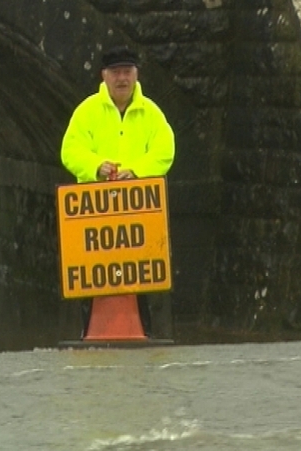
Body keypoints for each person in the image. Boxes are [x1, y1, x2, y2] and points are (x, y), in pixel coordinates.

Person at [60, 45, 175, 337]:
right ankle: (91, 336)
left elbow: (165, 151)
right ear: (104, 76)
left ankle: (144, 334)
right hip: (95, 220)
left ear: (136, 74)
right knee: (92, 281)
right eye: (116, 73)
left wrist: (136, 171)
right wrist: (96, 166)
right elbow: (69, 151)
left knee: (143, 281)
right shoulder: (87, 112)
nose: (122, 78)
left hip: (138, 216)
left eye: (127, 72)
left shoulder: (151, 113)